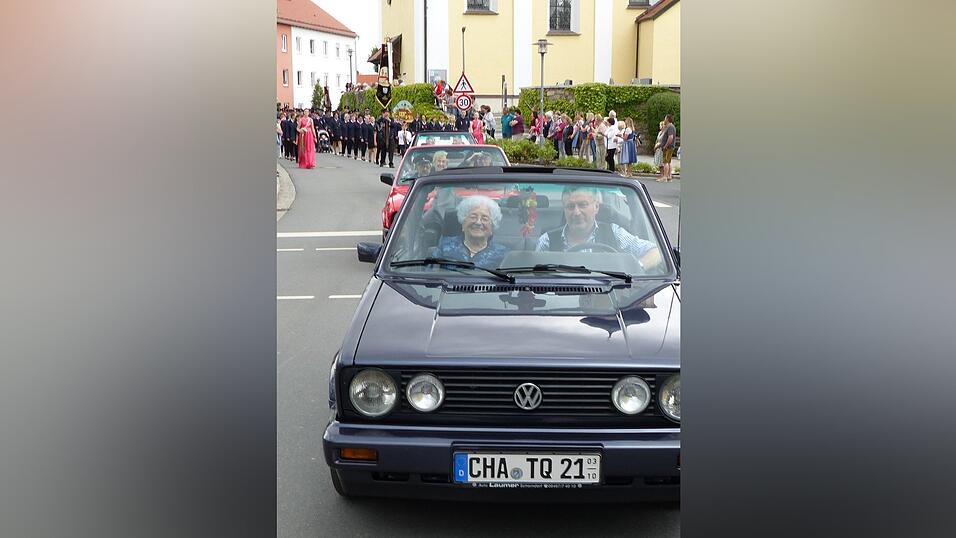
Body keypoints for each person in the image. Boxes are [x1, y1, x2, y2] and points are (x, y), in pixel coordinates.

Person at [535, 186, 662, 270]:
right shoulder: (547, 241)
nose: (576, 212)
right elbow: (534, 277)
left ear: (596, 207)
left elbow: (656, 252)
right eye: (570, 206)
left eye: (582, 205)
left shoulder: (614, 233)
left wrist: (636, 267)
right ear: (564, 209)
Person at [431, 195, 509, 267]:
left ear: (492, 227)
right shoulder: (444, 247)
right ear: (463, 223)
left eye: (484, 218)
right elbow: (432, 273)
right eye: (473, 217)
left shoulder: (503, 254)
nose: (478, 222)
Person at [659, 114, 677, 182]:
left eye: (665, 118)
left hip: (668, 147)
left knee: (665, 162)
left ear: (668, 119)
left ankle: (665, 177)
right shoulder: (670, 127)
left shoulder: (670, 127)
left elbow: (670, 137)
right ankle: (669, 176)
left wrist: (665, 146)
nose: (664, 119)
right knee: (668, 162)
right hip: (669, 147)